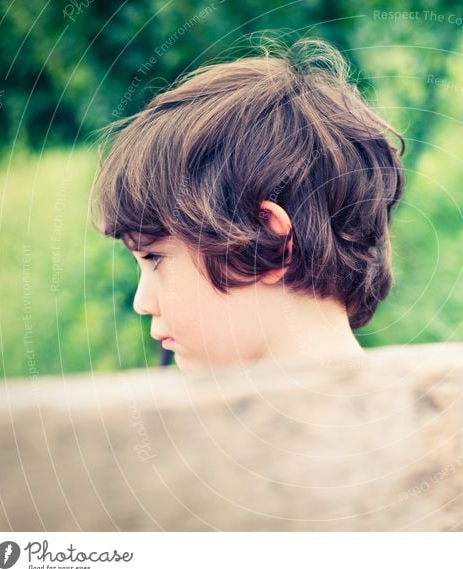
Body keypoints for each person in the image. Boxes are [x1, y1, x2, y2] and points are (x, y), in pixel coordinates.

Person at [90, 37, 405, 372]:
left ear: (268, 242)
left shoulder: (242, 424)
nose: (142, 302)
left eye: (154, 258)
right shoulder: (421, 411)